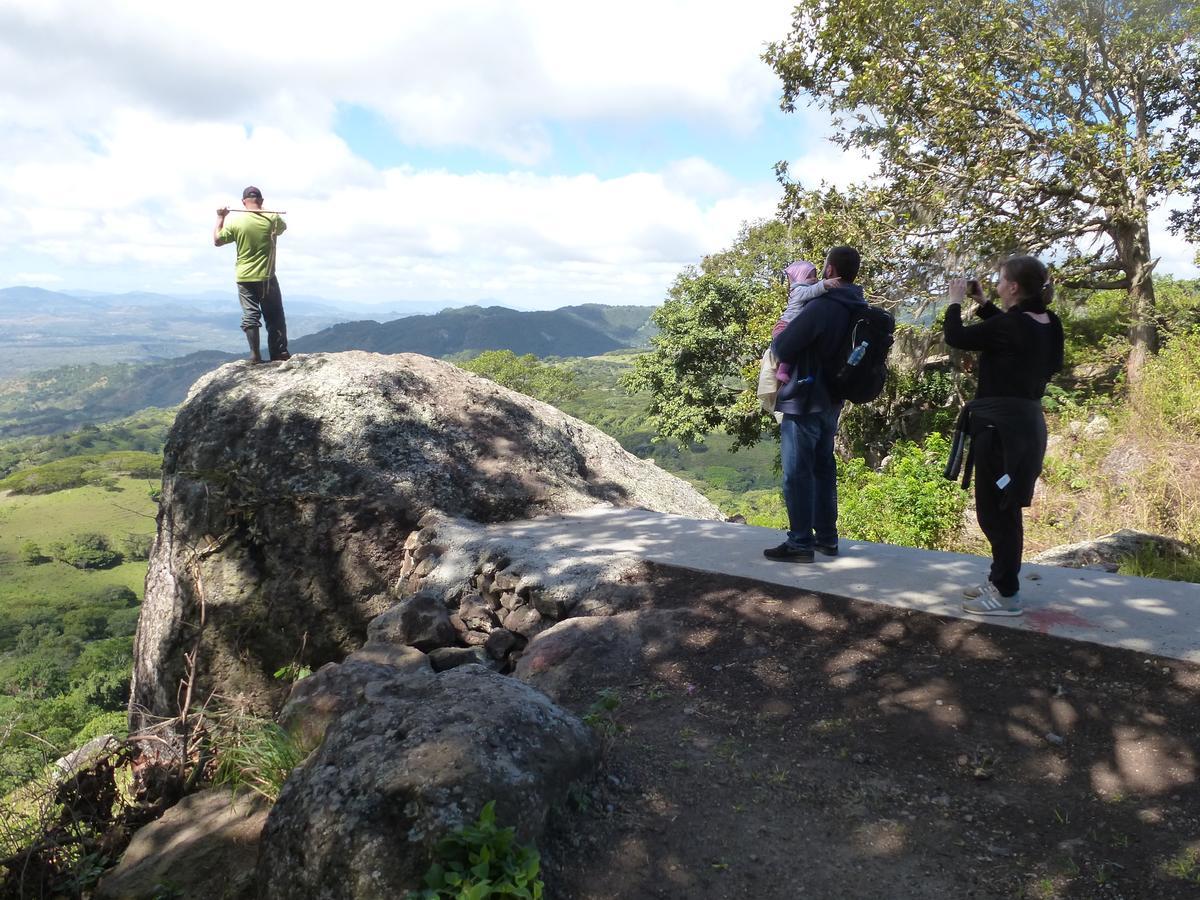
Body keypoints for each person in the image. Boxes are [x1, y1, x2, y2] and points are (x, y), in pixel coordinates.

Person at [943, 256, 1064, 616]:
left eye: (1000, 281)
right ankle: (1000, 580)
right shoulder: (1049, 323)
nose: (995, 285)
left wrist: (954, 301)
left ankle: (1007, 594)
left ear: (1013, 287)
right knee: (1004, 506)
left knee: (996, 512)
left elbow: (956, 336)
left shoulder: (1014, 325)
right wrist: (983, 303)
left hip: (1000, 431)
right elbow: (1016, 335)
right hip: (1026, 426)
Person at [764, 245, 865, 563]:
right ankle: (827, 539)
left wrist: (778, 333)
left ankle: (800, 544)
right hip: (833, 400)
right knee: (823, 467)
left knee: (797, 472)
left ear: (831, 271)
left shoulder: (821, 307)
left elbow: (785, 347)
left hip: (805, 399)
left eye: (823, 267)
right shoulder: (858, 306)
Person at [214, 186, 290, 363]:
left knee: (250, 314)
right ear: (261, 201)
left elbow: (217, 240)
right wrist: (262, 210)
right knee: (274, 315)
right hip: (266, 276)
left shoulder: (235, 222)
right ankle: (279, 354)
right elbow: (282, 228)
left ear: (243, 202)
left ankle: (254, 355)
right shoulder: (272, 217)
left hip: (244, 276)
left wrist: (220, 217)